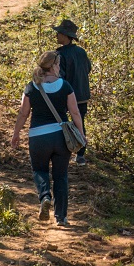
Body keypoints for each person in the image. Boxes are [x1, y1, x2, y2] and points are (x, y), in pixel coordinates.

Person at [11, 49, 84, 229]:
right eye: (58, 64)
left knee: (39, 170)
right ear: (53, 66)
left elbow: (23, 113)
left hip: (38, 137)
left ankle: (45, 197)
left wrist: (16, 133)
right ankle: (61, 217)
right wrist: (81, 134)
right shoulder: (65, 86)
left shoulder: (31, 86)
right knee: (61, 176)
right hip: (60, 137)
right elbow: (75, 112)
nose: (60, 68)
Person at [53, 18, 91, 166]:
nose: (57, 36)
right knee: (80, 122)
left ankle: (62, 151)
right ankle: (80, 155)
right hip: (82, 94)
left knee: (60, 121)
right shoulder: (81, 52)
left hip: (66, 95)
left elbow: (59, 76)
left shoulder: (59, 55)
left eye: (59, 33)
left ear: (65, 35)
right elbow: (88, 69)